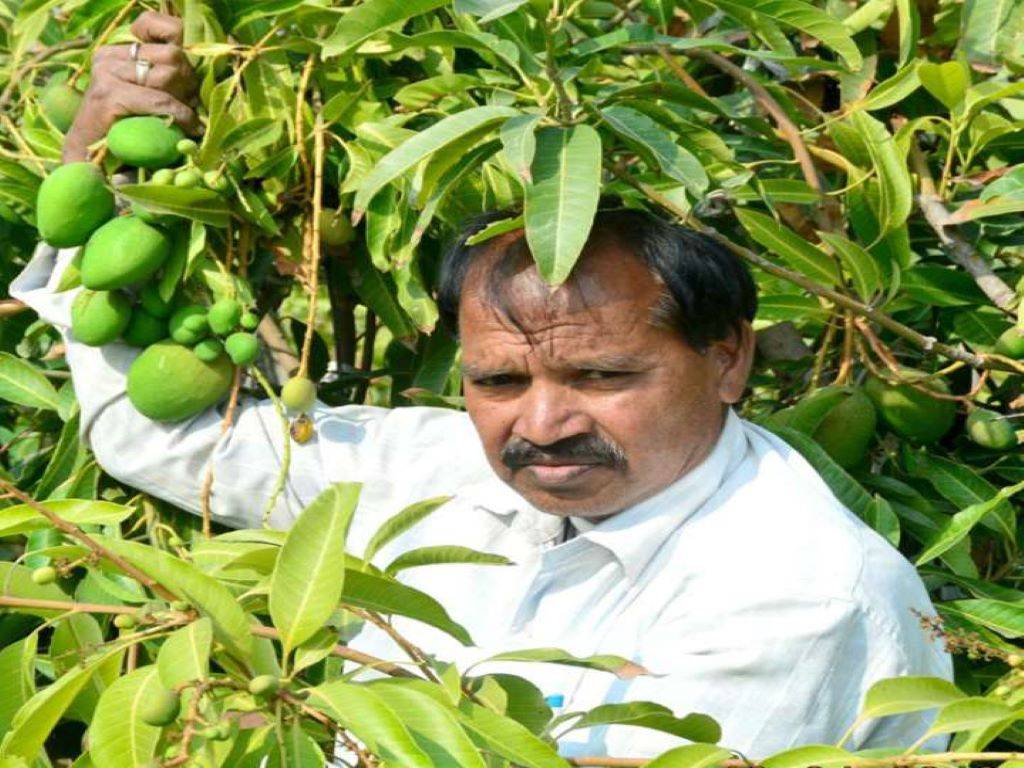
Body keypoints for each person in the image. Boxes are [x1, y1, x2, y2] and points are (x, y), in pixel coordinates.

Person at [12, 11, 952, 761]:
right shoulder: (437, 467)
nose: (540, 423)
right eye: (498, 379)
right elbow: (166, 438)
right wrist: (105, 173)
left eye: (601, 374)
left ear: (729, 359)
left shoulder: (793, 595)